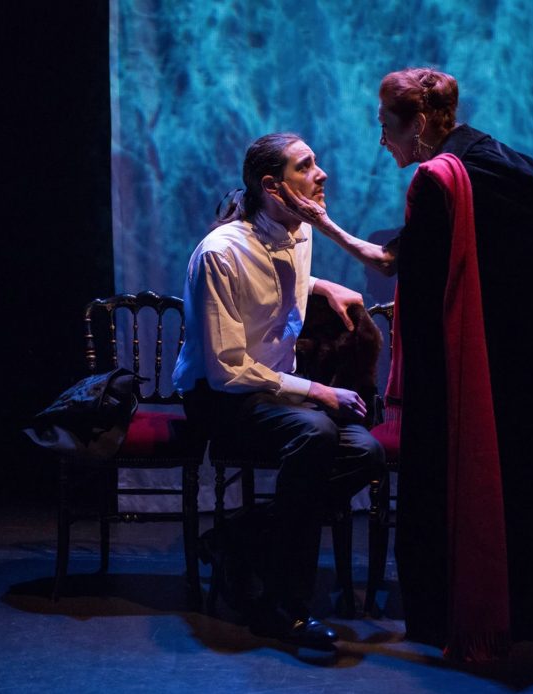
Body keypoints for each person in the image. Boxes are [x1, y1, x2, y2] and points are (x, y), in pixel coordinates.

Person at [276, 68, 533, 660]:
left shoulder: (439, 179)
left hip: (506, 340)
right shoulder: (483, 151)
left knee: (487, 463)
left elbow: (388, 261)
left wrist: (318, 221)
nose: (381, 140)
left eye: (387, 127)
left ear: (418, 126)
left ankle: (485, 611)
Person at [172, 132, 384, 650]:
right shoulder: (218, 255)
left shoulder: (301, 233)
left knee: (367, 452)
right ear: (273, 186)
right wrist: (316, 390)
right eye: (306, 166)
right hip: (218, 397)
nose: (322, 173)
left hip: (269, 393)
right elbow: (226, 370)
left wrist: (319, 285)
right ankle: (285, 608)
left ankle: (233, 539)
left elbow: (279, 275)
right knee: (314, 432)